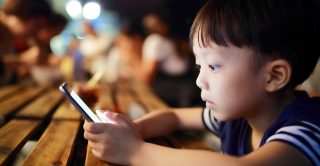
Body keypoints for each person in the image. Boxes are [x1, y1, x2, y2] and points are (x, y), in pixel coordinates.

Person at [83, 0, 320, 165]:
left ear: (274, 76)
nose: (199, 81)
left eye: (213, 66)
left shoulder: (307, 131)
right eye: (200, 66)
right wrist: (132, 130)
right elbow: (173, 116)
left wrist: (134, 151)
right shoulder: (239, 117)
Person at [141, 10, 200, 107]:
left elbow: (146, 78)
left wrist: (129, 53)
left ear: (165, 25)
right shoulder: (175, 41)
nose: (150, 28)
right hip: (189, 87)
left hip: (176, 87)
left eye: (155, 24)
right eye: (148, 26)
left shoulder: (155, 41)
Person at [0, 0, 53, 85]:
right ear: (20, 13)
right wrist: (22, 59)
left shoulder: (9, 37)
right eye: (36, 24)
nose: (36, 31)